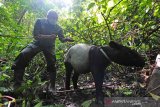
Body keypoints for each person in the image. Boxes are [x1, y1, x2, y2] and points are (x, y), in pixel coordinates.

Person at [11, 9, 73, 91]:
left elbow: (61, 39)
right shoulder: (40, 21)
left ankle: (52, 86)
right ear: (47, 17)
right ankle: (17, 85)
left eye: (55, 18)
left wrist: (67, 39)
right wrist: (49, 36)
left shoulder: (58, 28)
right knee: (23, 54)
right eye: (52, 18)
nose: (54, 20)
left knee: (52, 63)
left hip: (49, 46)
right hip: (37, 43)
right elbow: (36, 35)